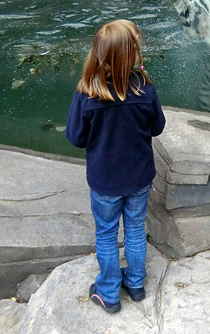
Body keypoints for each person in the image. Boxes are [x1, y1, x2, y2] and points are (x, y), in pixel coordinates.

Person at [65, 19, 166, 314]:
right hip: (139, 177)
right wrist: (144, 82)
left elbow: (75, 138)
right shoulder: (144, 90)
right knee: (135, 228)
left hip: (105, 181)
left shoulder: (87, 93)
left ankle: (108, 292)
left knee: (107, 233)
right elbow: (158, 127)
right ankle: (135, 283)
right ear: (132, 56)